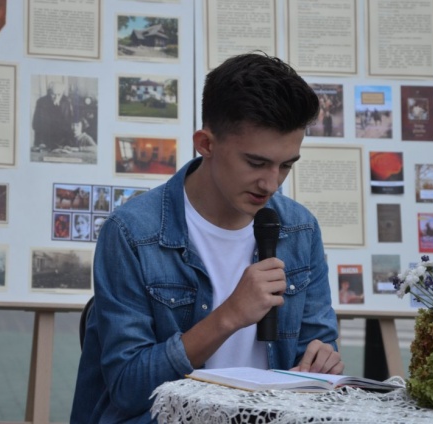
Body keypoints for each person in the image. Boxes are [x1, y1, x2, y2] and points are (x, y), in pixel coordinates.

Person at [71, 52, 342, 423]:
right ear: (206, 144)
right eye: (256, 163)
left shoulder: (300, 229)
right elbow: (128, 387)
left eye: (286, 166)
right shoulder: (132, 233)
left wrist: (322, 362)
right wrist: (229, 315)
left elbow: (318, 348)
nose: (271, 183)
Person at [32, 81, 73, 151]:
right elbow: (36, 124)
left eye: (59, 94)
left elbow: (69, 124)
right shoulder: (41, 102)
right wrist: (41, 142)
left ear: (62, 93)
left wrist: (68, 143)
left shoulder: (67, 101)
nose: (56, 97)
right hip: (45, 141)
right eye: (53, 94)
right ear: (49, 92)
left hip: (62, 142)